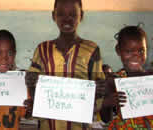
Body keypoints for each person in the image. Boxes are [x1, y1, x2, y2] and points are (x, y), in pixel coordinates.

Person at [26, 0, 105, 129]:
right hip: (48, 125)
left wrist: (99, 89)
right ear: (53, 15)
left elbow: (99, 91)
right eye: (61, 14)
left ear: (82, 16)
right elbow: (32, 88)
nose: (67, 19)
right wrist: (30, 82)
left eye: (73, 14)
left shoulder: (92, 49)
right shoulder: (42, 50)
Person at [100, 26, 153, 129]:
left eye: (141, 51)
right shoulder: (113, 81)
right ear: (118, 50)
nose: (136, 56)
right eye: (129, 51)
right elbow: (106, 119)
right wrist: (106, 103)